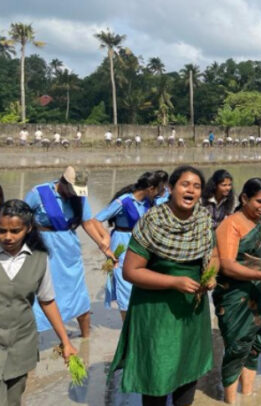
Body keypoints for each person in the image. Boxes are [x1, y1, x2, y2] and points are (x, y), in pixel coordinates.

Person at [108, 166, 214, 406]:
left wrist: (210, 276)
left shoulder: (204, 219)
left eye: (197, 186)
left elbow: (213, 254)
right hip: (156, 310)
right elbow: (131, 272)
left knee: (188, 369)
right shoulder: (152, 221)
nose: (191, 190)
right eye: (185, 184)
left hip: (191, 310)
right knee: (156, 371)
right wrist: (174, 282)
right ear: (171, 188)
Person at [214, 178, 261, 403]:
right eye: (259, 201)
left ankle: (247, 396)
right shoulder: (231, 224)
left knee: (255, 346)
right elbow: (227, 264)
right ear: (244, 198)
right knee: (236, 348)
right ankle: (230, 400)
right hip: (236, 298)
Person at [0, 200, 78, 406]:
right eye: (2, 231)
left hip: (20, 342)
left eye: (15, 231)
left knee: (13, 400)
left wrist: (66, 341)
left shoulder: (39, 259)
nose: (7, 237)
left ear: (28, 228)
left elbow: (48, 301)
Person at [25, 166, 104, 337]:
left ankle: (85, 339)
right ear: (63, 181)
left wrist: (103, 245)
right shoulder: (39, 193)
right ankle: (34, 336)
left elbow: (87, 222)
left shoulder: (79, 197)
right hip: (43, 246)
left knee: (77, 291)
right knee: (41, 290)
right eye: (72, 190)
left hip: (69, 250)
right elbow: (22, 217)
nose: (75, 194)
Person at [93, 172, 162, 318]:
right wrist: (104, 239)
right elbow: (96, 220)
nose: (159, 193)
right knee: (125, 280)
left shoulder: (149, 202)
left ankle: (139, 317)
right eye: (157, 189)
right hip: (123, 243)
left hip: (142, 242)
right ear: (150, 188)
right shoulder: (123, 201)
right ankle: (126, 322)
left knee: (142, 278)